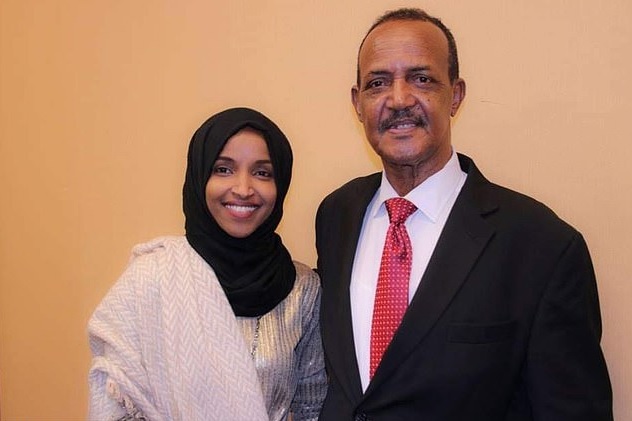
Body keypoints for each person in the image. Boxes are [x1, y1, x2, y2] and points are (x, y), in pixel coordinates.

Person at [315, 8, 612, 420]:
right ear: (358, 103)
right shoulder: (337, 216)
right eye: (377, 83)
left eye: (421, 79)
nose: (399, 99)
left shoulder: (543, 247)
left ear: (455, 95)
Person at [88, 107, 327, 421]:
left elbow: (313, 408)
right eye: (223, 169)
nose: (243, 189)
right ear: (199, 177)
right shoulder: (152, 278)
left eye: (262, 173)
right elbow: (117, 400)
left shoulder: (302, 289)